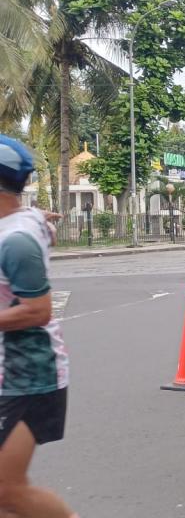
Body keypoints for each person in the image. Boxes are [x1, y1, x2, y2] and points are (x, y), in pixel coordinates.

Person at [0, 136, 78, 517]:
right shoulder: (17, 223)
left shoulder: (15, 240)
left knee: (7, 491)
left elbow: (37, 311)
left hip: (27, 376)